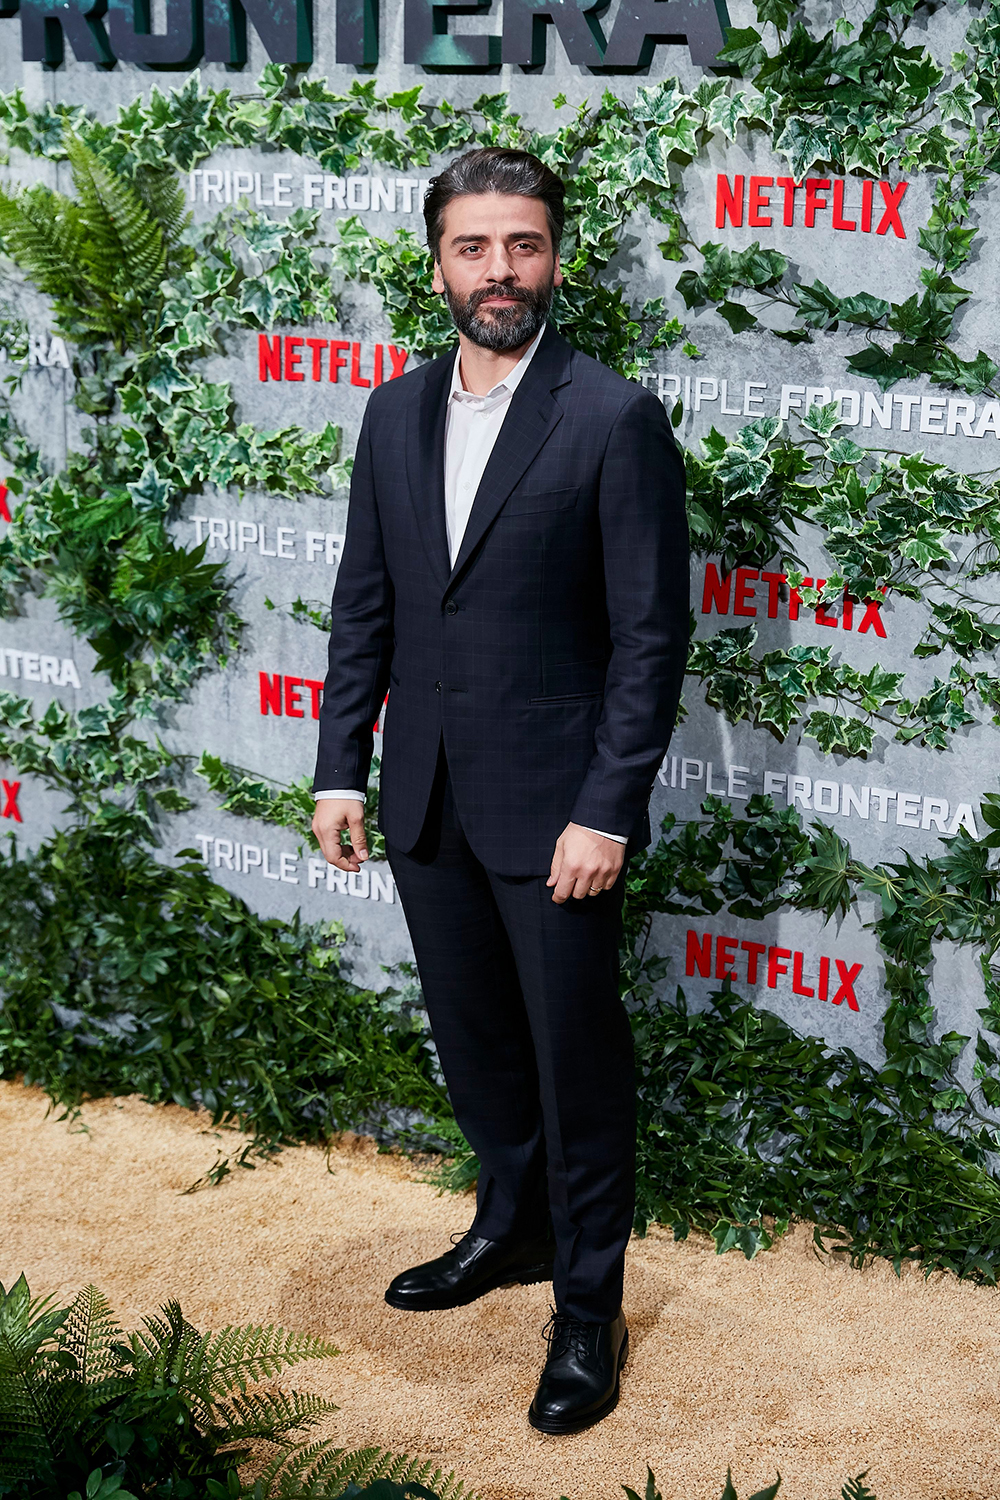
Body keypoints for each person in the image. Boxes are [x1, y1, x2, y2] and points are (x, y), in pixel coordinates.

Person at [311, 146, 689, 1435]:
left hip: (557, 812)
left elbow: (650, 640)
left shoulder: (610, 417)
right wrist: (337, 768)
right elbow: (366, 603)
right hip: (424, 796)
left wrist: (609, 809)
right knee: (477, 1048)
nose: (499, 270)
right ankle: (509, 1231)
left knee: (578, 1066)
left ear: (556, 258)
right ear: (437, 265)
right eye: (474, 247)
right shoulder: (395, 409)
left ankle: (588, 1309)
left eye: (522, 245)